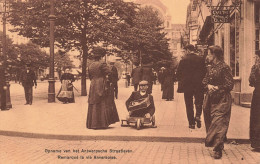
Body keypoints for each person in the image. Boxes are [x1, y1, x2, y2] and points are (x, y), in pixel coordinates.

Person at [202, 45, 234, 159]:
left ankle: (217, 149)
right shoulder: (210, 68)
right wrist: (208, 85)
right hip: (210, 99)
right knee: (211, 122)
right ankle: (218, 143)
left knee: (219, 122)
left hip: (222, 99)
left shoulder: (224, 67)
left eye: (209, 54)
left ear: (215, 55)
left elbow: (230, 84)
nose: (207, 56)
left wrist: (217, 87)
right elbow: (204, 80)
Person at [176, 44, 206, 129]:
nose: (185, 52)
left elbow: (178, 74)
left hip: (187, 86)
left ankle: (191, 123)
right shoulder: (201, 59)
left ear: (188, 50)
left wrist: (183, 79)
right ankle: (198, 115)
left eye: (185, 51)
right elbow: (205, 72)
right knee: (199, 101)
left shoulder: (183, 60)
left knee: (188, 104)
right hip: (199, 85)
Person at [86, 53, 119, 129]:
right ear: (101, 57)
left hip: (93, 84)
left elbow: (90, 76)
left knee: (94, 101)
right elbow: (109, 73)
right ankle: (102, 123)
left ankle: (92, 124)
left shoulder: (90, 65)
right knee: (103, 101)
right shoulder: (102, 64)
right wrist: (109, 81)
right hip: (101, 83)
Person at [249, 51, 260, 149]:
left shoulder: (255, 68)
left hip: (258, 95)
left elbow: (251, 82)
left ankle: (257, 144)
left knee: (256, 118)